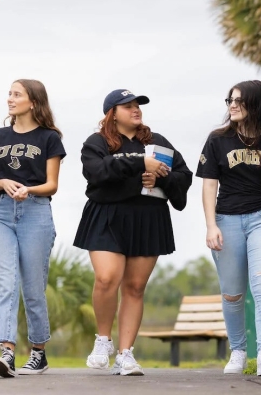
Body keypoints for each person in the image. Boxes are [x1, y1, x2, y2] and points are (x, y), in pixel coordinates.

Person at [74, 89, 192, 376]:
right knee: (106, 278)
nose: (135, 110)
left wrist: (161, 177)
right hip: (107, 215)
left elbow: (184, 175)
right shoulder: (96, 142)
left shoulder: (158, 142)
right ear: (112, 113)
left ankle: (126, 354)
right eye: (127, 106)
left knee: (135, 287)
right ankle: (103, 340)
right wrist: (140, 163)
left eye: (137, 105)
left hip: (148, 217)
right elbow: (97, 172)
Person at [196, 80, 261, 377]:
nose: (232, 105)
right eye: (230, 100)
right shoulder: (217, 140)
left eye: (239, 100)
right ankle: (238, 351)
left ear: (257, 104)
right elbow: (209, 185)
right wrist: (211, 225)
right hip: (226, 220)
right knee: (233, 293)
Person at [0, 79, 66, 378]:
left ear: (33, 102)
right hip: (1, 213)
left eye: (16, 94)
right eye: (9, 93)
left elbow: (52, 184)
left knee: (32, 288)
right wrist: (3, 183)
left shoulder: (49, 138)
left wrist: (28, 190)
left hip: (36, 213)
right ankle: (6, 352)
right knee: (5, 284)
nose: (10, 99)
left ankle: (38, 353)